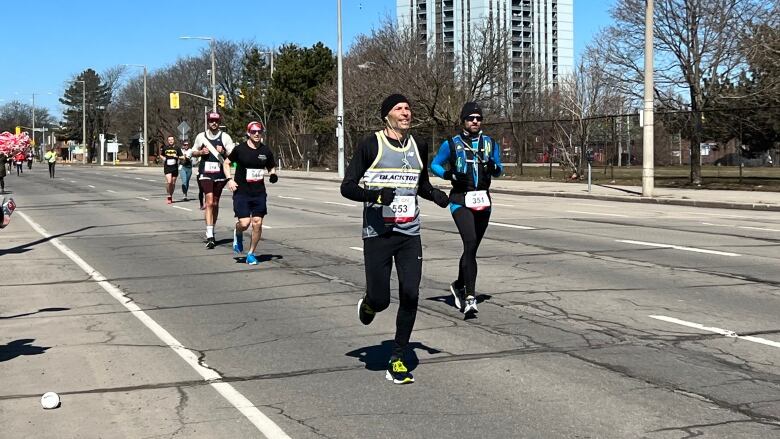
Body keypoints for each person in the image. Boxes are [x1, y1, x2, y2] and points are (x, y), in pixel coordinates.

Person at [341, 94, 450, 385]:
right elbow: (347, 187)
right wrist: (375, 195)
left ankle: (399, 357)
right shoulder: (371, 144)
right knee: (381, 299)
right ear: (386, 115)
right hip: (377, 233)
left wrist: (435, 194)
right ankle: (368, 304)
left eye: (408, 108)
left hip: (409, 234)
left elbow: (420, 183)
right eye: (399, 108)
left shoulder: (419, 145)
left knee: (411, 294)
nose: (406, 112)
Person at [430, 102, 503, 316]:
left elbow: (500, 169)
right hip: (460, 200)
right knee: (469, 242)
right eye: (471, 118)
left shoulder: (489, 143)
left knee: (472, 249)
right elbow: (434, 164)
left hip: (483, 200)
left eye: (478, 118)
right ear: (463, 120)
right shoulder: (451, 144)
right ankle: (470, 297)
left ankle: (458, 284)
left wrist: (494, 168)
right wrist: (449, 175)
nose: (475, 121)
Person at [224, 121, 278, 265]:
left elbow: (271, 166)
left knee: (257, 223)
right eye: (253, 131)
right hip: (242, 192)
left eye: (259, 131)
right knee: (245, 223)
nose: (256, 134)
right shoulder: (240, 149)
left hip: (259, 192)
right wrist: (229, 179)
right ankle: (238, 231)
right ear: (248, 133)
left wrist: (273, 174)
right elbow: (226, 163)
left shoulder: (265, 151)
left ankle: (251, 253)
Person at [191, 111, 235, 249]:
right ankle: (209, 235)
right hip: (205, 173)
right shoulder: (201, 136)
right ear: (208, 122)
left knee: (215, 203)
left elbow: (234, 155)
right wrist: (200, 152)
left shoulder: (225, 137)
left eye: (216, 121)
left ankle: (212, 229)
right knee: (209, 201)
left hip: (220, 174)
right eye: (211, 120)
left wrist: (223, 152)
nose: (214, 123)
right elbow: (192, 151)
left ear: (219, 122)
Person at [160, 135, 184, 204]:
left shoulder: (177, 148)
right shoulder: (165, 148)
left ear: (174, 140)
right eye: (169, 140)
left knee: (173, 183)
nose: (171, 141)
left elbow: (182, 157)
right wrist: (163, 158)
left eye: (172, 140)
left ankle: (171, 195)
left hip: (175, 167)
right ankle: (168, 195)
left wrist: (177, 156)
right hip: (167, 167)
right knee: (169, 181)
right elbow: (161, 155)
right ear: (168, 141)